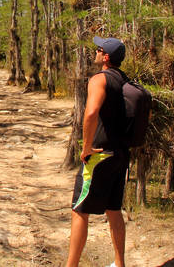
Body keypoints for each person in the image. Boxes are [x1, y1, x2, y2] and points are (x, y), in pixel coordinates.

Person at [66, 36, 129, 267]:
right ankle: (119, 263)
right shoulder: (126, 81)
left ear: (106, 57)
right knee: (113, 209)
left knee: (79, 209)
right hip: (121, 154)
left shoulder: (99, 79)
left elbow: (91, 113)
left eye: (99, 49)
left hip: (100, 155)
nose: (95, 51)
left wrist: (86, 147)